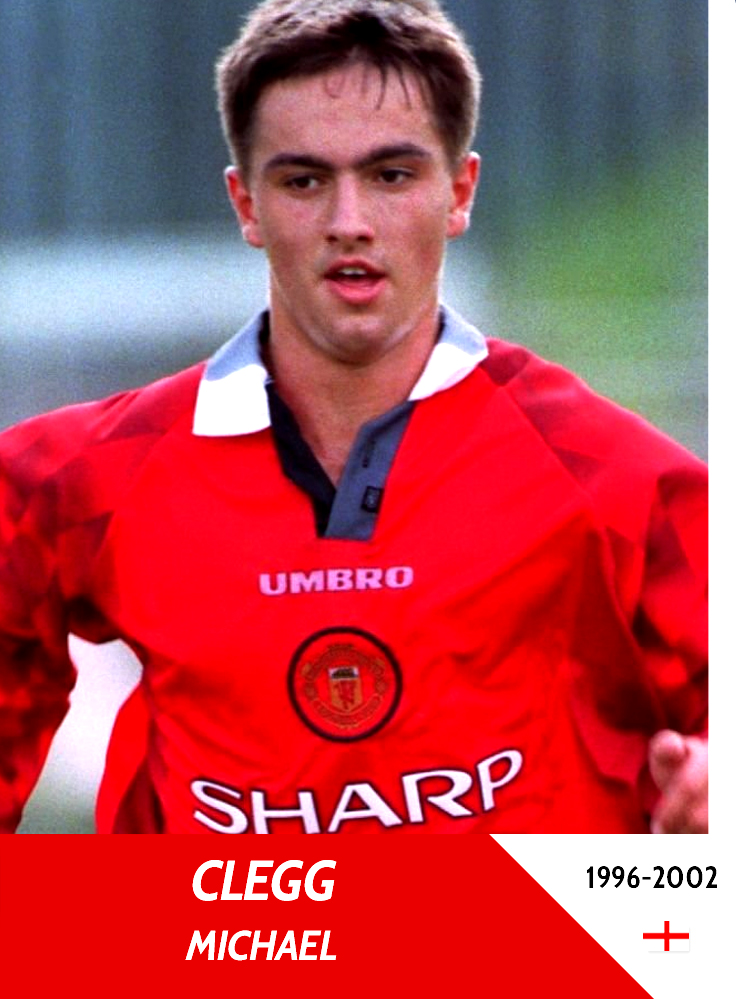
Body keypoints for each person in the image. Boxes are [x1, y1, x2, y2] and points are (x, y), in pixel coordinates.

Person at [0, 0, 707, 834]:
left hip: (530, 929)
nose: (350, 223)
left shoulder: (608, 476)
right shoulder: (85, 480)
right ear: (246, 204)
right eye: (303, 181)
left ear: (459, 192)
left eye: (391, 176)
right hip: (225, 926)